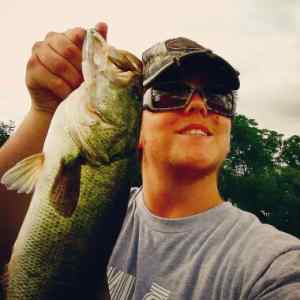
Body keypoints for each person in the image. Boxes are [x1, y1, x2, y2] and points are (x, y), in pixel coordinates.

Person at [0, 22, 299, 299]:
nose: (198, 105)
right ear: (137, 130)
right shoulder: (112, 208)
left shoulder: (271, 266)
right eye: (169, 93)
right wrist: (42, 111)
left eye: (218, 96)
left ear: (229, 132)